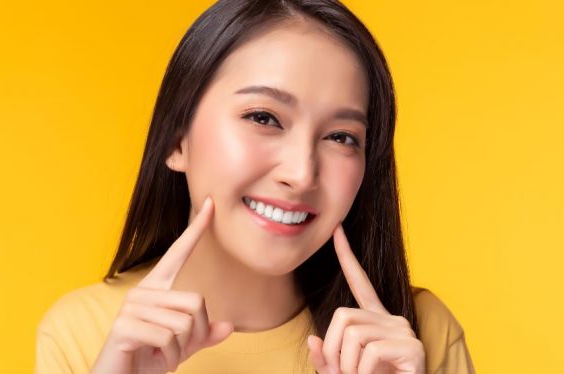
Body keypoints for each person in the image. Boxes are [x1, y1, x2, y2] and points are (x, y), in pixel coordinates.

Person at [36, 0, 475, 372]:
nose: (301, 174)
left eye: (341, 137)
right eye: (263, 118)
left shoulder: (418, 337)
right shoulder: (88, 333)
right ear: (176, 138)